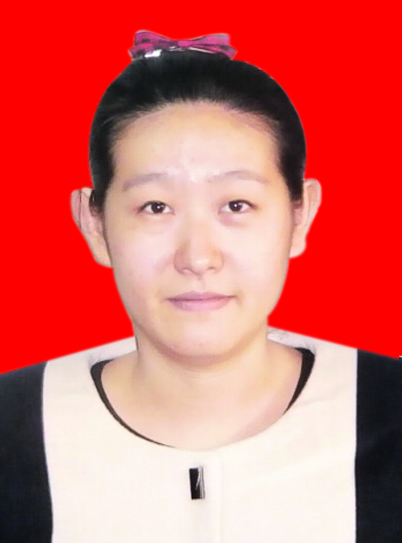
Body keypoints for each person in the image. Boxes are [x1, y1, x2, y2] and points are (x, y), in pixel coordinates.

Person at [0, 31, 400, 543]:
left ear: (301, 215)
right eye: (155, 207)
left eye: (236, 205)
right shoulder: (12, 429)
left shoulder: (388, 412)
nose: (197, 258)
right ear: (94, 225)